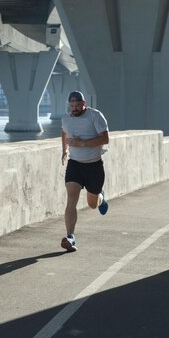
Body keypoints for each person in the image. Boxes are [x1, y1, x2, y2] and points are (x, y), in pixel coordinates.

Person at [60, 90, 109, 252]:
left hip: (94, 166)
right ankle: (70, 237)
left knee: (92, 204)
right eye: (71, 106)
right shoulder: (66, 118)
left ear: (84, 104)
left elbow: (105, 138)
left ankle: (100, 197)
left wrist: (81, 143)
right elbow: (64, 132)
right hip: (75, 165)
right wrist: (65, 150)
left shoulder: (95, 116)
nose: (74, 108)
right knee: (71, 199)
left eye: (77, 105)